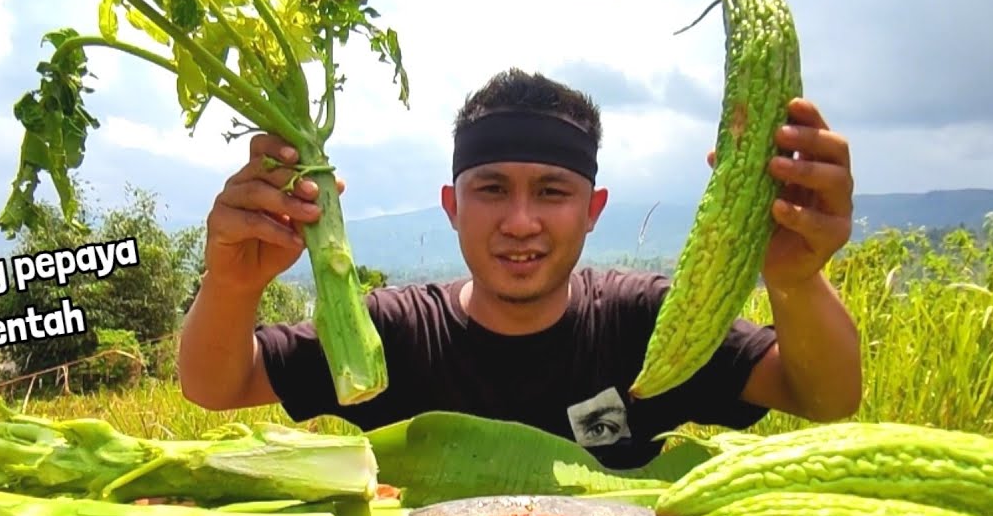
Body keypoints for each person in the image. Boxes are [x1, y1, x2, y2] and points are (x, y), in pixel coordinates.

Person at [178, 68, 862, 469]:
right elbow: (217, 382)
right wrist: (233, 282)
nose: (521, 221)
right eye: (493, 189)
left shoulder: (646, 324)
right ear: (453, 206)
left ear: (593, 209)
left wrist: (796, 280)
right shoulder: (393, 333)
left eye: (553, 192)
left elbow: (824, 395)